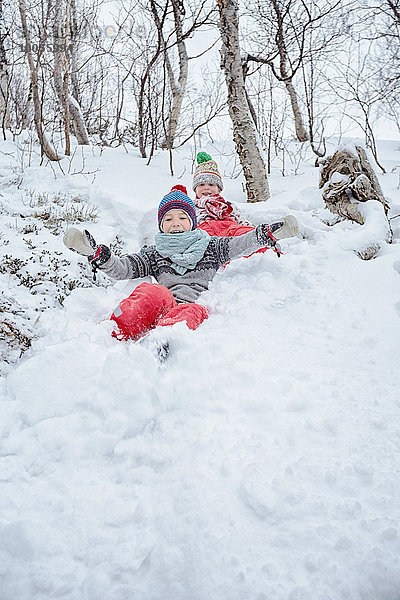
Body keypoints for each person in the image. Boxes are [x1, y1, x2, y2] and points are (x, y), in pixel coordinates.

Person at [63, 186, 298, 341]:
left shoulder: (211, 247)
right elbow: (123, 268)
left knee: (193, 311)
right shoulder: (154, 254)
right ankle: (114, 334)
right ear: (161, 225)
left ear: (193, 223)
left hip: (187, 308)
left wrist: (268, 233)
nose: (175, 223)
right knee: (150, 291)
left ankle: (162, 343)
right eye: (168, 218)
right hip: (162, 301)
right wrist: (96, 253)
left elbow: (239, 244)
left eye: (182, 218)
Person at [190, 152, 298, 256]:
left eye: (211, 184)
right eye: (201, 184)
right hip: (206, 230)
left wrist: (251, 230)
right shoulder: (191, 206)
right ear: (195, 189)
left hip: (231, 227)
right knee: (206, 244)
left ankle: (267, 240)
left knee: (245, 238)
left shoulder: (227, 205)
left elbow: (240, 218)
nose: (206, 187)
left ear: (219, 189)